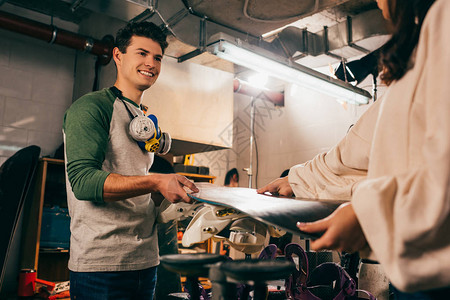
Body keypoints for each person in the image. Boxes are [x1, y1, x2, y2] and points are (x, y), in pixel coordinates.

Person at [258, 0, 450, 298]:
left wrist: (367, 213)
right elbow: (364, 145)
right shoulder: (423, 46)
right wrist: (300, 178)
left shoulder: (445, 19)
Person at [63, 22, 198, 299]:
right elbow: (83, 182)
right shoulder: (92, 108)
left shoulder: (142, 117)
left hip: (145, 261)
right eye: (142, 53)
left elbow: (134, 183)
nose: (151, 63)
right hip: (100, 266)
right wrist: (156, 181)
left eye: (157, 57)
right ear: (118, 55)